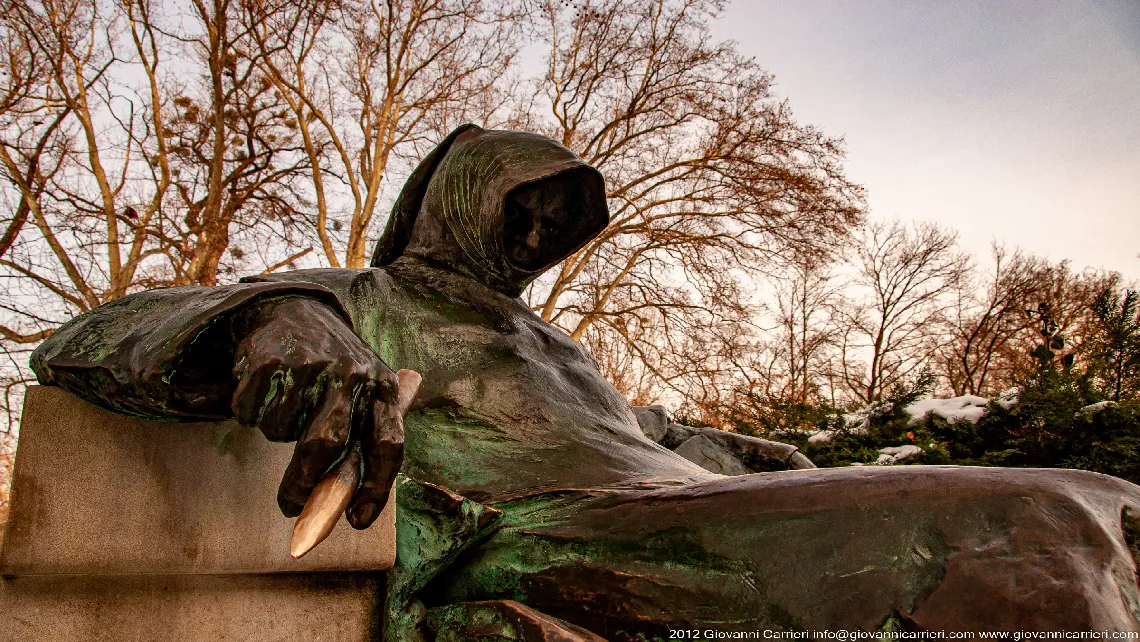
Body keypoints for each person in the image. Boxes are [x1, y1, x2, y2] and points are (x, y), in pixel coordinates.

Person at [31, 125, 1140, 638]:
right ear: (464, 197)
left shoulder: (559, 347)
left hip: (668, 500)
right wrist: (281, 329)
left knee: (1103, 496)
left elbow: (637, 428)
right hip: (560, 528)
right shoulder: (367, 293)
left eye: (561, 215)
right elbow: (94, 333)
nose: (545, 228)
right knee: (1037, 523)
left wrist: (739, 448)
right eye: (528, 201)